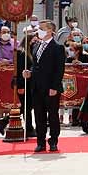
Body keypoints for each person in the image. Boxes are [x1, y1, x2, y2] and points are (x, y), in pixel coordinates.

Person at [23, 20, 66, 152]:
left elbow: (59, 69)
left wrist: (54, 86)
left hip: (51, 87)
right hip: (36, 86)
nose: (38, 31)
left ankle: (53, 140)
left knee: (52, 115)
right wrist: (29, 72)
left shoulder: (57, 47)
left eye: (41, 28)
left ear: (49, 30)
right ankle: (40, 142)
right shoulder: (36, 45)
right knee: (39, 115)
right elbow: (35, 64)